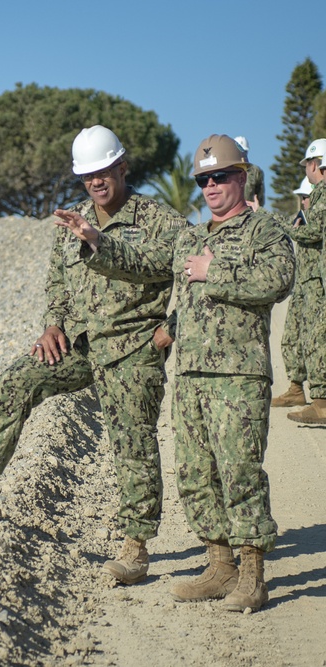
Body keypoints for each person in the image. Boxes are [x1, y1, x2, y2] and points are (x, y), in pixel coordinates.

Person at [0, 125, 187, 588]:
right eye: (87, 174)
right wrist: (53, 324)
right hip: (83, 345)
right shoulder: (75, 220)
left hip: (132, 348)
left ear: (122, 167)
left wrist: (171, 329)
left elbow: (191, 272)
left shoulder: (158, 219)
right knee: (18, 379)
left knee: (133, 444)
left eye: (103, 171)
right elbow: (58, 283)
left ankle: (136, 548)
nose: (96, 182)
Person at [54, 134, 296, 612]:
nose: (211, 186)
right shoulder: (191, 236)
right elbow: (144, 263)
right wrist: (96, 240)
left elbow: (278, 280)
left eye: (220, 176)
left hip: (237, 376)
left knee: (239, 472)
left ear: (242, 177)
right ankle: (220, 564)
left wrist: (215, 272)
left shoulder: (263, 231)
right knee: (196, 474)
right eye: (203, 180)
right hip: (188, 376)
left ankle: (252, 575)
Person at [286, 138, 326, 424]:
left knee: (316, 339)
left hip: (318, 281)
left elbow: (315, 232)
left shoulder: (323, 192)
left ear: (315, 165)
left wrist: (289, 229)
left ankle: (322, 403)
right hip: (314, 278)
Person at [271, 175, 319, 408]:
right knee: (291, 336)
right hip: (302, 286)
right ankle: (295, 388)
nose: (303, 202)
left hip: (316, 286)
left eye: (306, 197)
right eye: (301, 198)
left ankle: (320, 397)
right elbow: (291, 227)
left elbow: (300, 232)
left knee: (315, 341)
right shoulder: (304, 219)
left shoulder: (317, 220)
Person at [233, 136, 265, 210]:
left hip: (250, 213)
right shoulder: (225, 170)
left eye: (244, 152)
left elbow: (260, 197)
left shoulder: (256, 171)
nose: (242, 154)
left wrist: (258, 209)